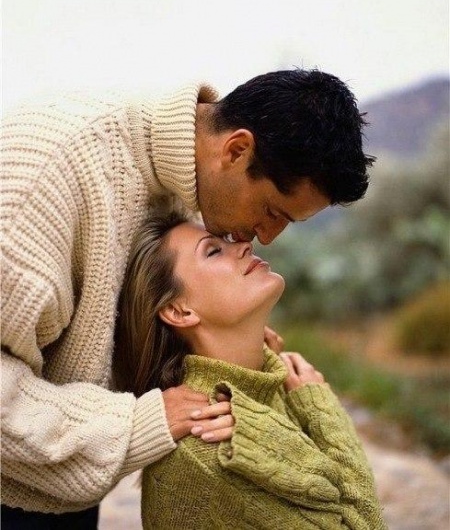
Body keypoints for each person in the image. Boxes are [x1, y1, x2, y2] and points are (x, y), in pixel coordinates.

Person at [1, 68, 373, 525]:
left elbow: (122, 308)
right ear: (236, 150)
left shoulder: (183, 175)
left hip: (59, 479)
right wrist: (139, 423)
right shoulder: (41, 182)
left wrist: (233, 347)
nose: (266, 238)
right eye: (271, 211)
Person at [114, 208, 387, 530]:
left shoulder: (272, 385)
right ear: (179, 311)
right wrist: (320, 407)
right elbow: (363, 523)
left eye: (228, 240)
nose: (244, 245)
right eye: (213, 251)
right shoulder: (209, 445)